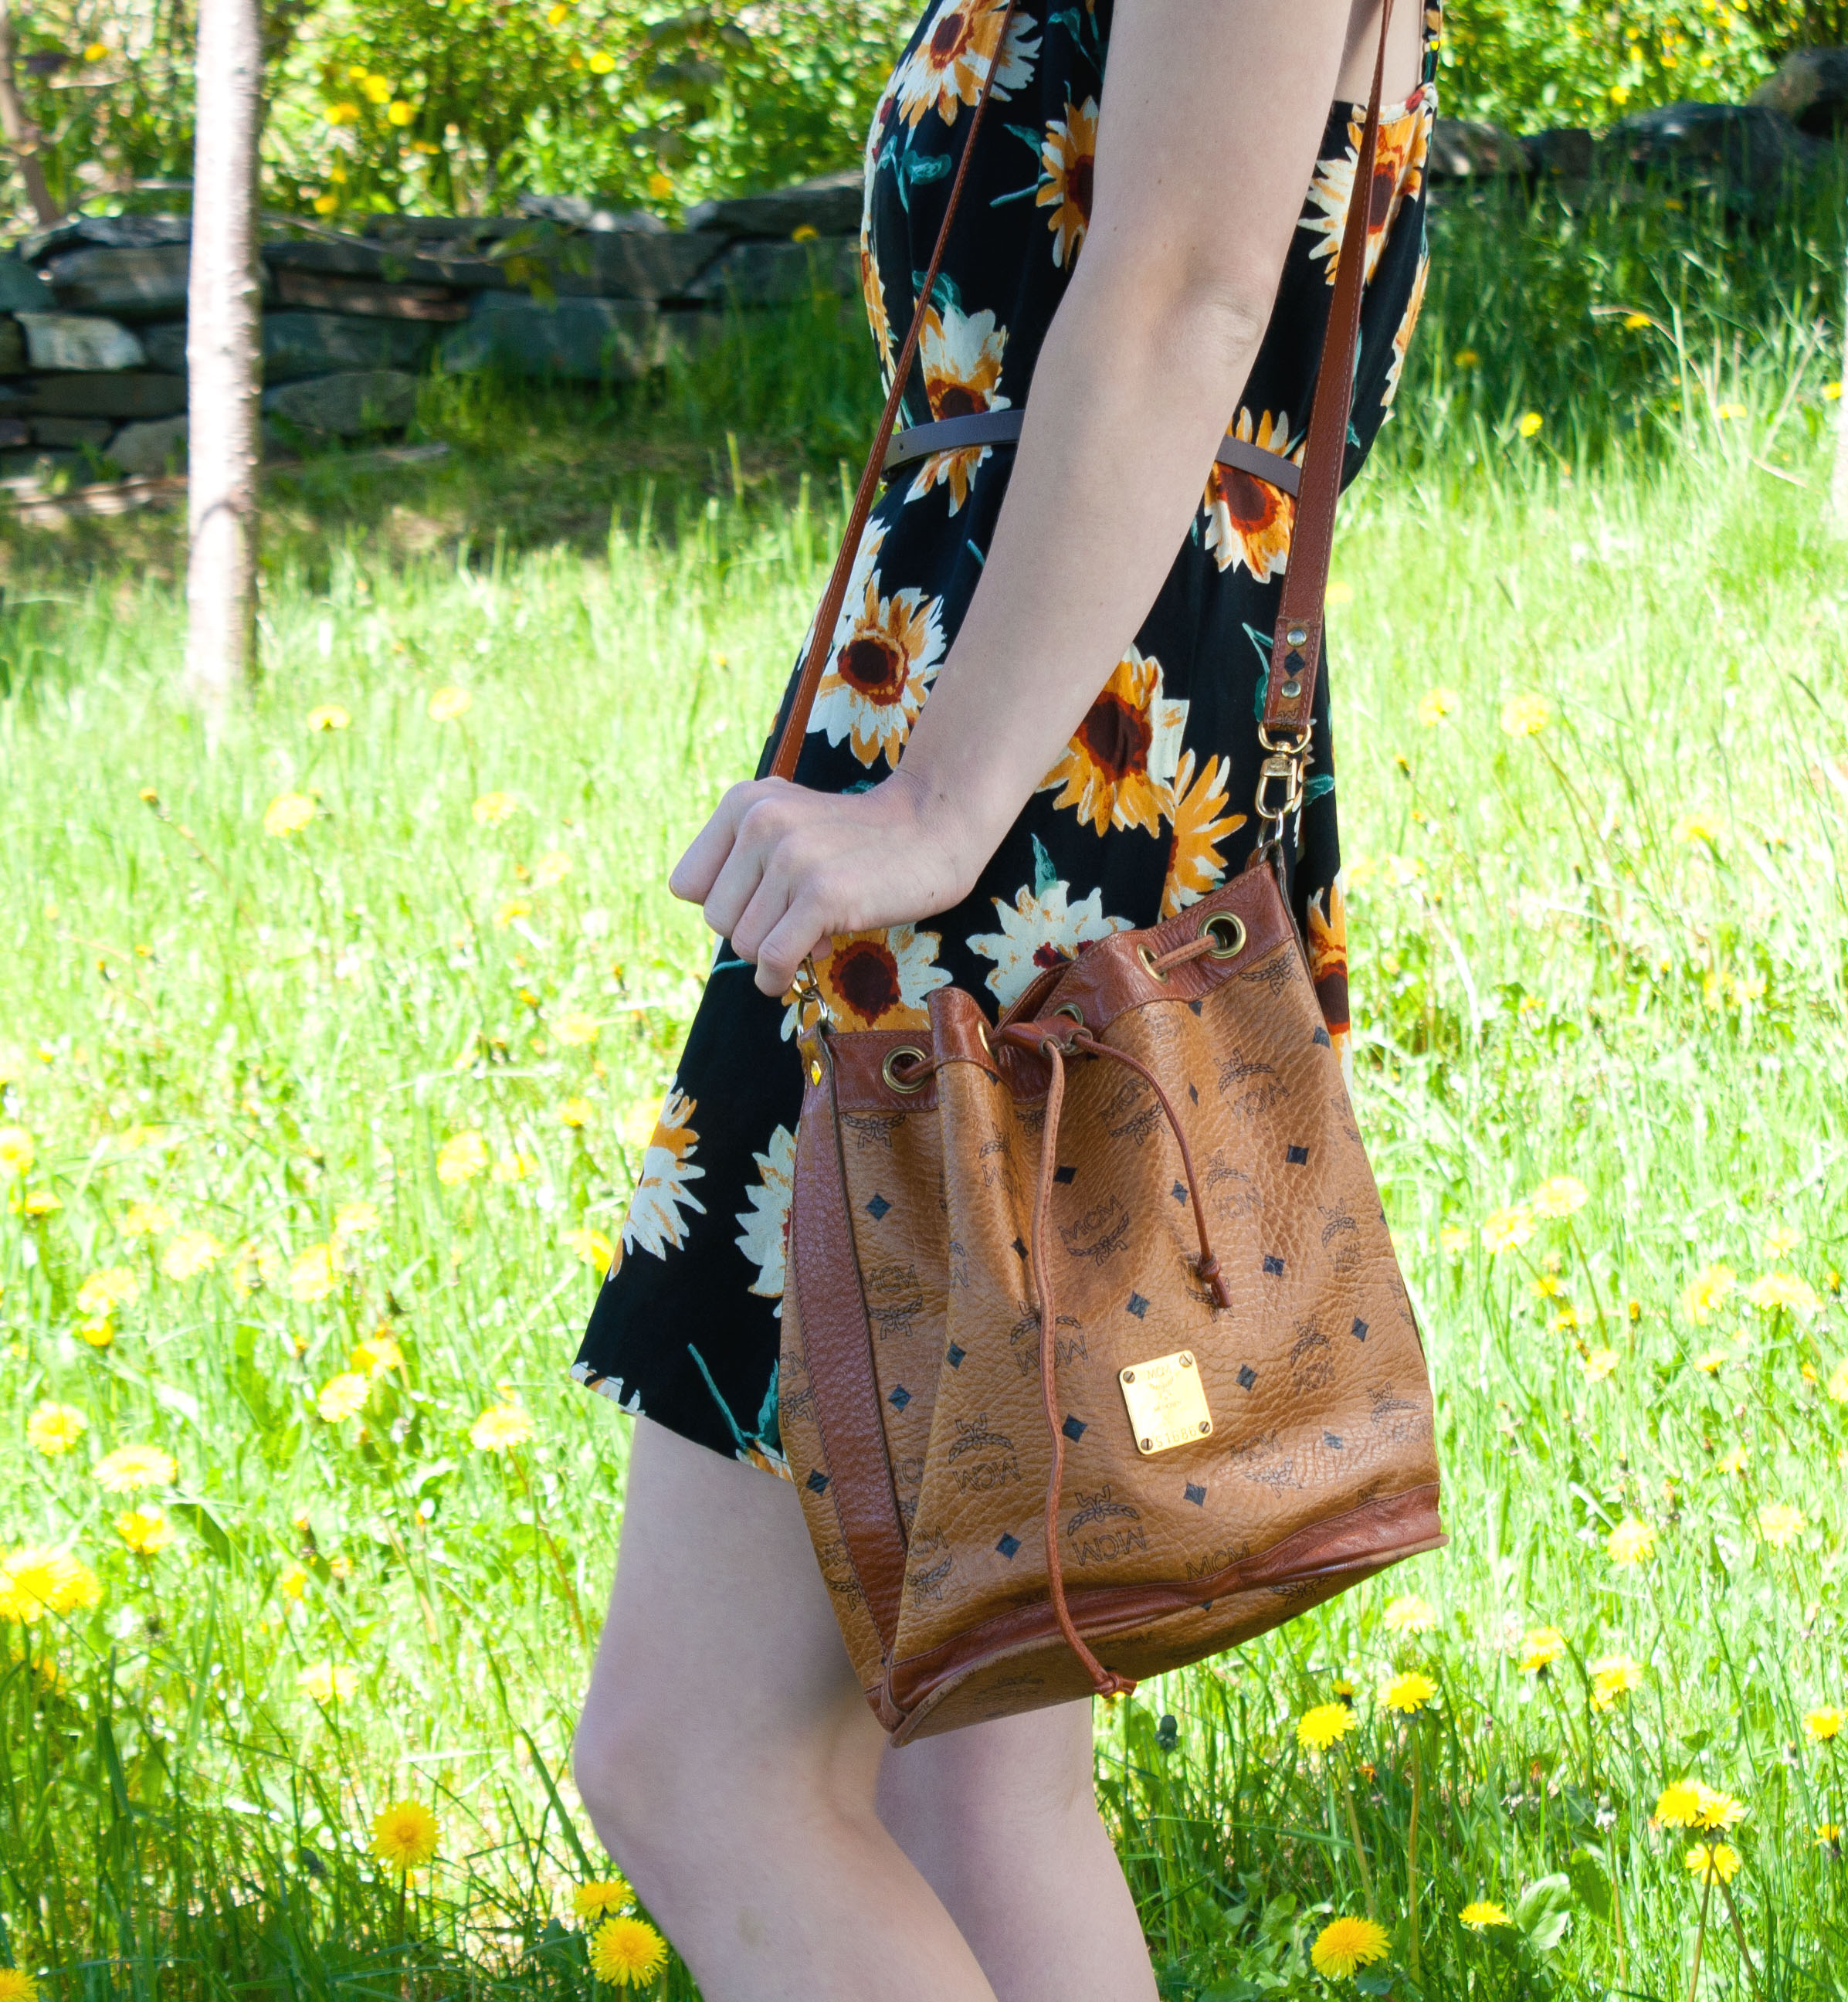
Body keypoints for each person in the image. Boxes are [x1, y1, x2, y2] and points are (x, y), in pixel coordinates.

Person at [567, 0, 1436, 1993]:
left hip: (1026, 808)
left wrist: (939, 805)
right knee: (968, 1772)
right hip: (1049, 758)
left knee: (702, 1760)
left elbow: (1189, 288)